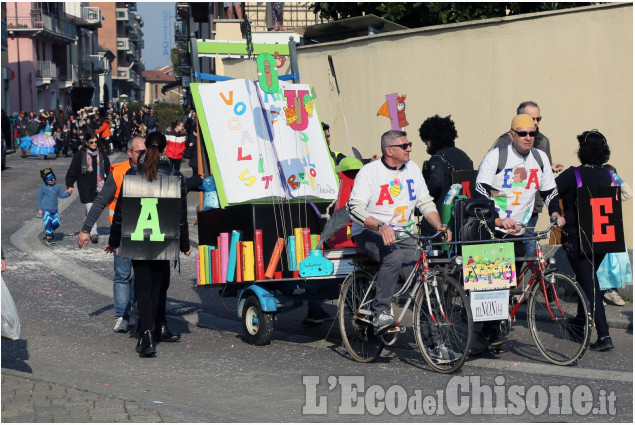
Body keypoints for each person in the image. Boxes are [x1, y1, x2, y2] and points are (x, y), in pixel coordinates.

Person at [475, 113, 564, 348]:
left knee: (510, 278)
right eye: (522, 133)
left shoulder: (540, 158)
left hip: (520, 226)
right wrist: (498, 219)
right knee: (495, 281)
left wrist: (555, 212)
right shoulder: (497, 156)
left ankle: (492, 324)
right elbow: (480, 190)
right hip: (494, 226)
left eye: (532, 133)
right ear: (512, 134)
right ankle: (491, 330)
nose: (528, 137)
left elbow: (550, 191)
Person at [347, 130, 450, 333]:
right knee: (393, 256)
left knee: (423, 279)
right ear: (389, 150)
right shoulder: (370, 172)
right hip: (370, 231)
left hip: (403, 234)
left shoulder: (411, 168)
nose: (410, 148)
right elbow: (354, 208)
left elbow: (425, 202)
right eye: (404, 145)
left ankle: (434, 343)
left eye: (409, 144)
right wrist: (380, 225)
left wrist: (439, 225)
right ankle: (381, 312)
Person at [105, 132, 192, 357]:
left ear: (144, 151)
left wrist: (114, 240)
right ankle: (155, 326)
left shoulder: (133, 173)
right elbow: (181, 214)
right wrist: (184, 243)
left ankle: (146, 334)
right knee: (158, 287)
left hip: (137, 235)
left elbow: (121, 212)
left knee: (143, 288)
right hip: (164, 236)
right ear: (164, 150)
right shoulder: (174, 175)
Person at [77, 136, 147, 334]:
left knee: (142, 275)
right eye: (139, 152)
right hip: (122, 233)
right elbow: (100, 202)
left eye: (146, 151)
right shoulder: (118, 172)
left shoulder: (154, 169)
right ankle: (122, 316)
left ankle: (133, 309)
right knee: (123, 275)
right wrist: (85, 229)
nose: (143, 155)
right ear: (130, 153)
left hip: (148, 234)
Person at [555, 130, 617, 351]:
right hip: (603, 238)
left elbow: (551, 191)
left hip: (577, 237)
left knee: (590, 283)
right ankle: (580, 321)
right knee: (588, 278)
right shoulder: (608, 175)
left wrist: (557, 213)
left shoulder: (573, 174)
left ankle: (604, 335)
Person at [491, 102, 564, 260]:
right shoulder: (504, 142)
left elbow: (542, 173)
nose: (536, 122)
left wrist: (550, 168)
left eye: (538, 118)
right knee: (510, 252)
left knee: (530, 243)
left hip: (532, 203)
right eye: (532, 118)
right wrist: (499, 213)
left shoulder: (543, 141)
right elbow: (493, 178)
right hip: (506, 208)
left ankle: (529, 280)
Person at [419, 114, 473, 235]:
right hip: (463, 215)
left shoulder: (438, 159)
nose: (427, 145)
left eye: (426, 141)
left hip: (443, 216)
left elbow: (435, 184)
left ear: (432, 139)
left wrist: (422, 197)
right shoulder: (464, 156)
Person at [65, 133, 111, 244]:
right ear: (86, 142)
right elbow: (72, 170)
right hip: (85, 187)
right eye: (91, 142)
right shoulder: (80, 155)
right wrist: (70, 184)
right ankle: (94, 233)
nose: (94, 144)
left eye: (96, 142)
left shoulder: (102, 154)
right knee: (91, 207)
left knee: (92, 209)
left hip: (99, 186)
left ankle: (87, 225)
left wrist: (110, 184)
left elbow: (108, 170)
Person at [36, 168, 71, 244]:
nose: (51, 181)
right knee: (48, 222)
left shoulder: (57, 186)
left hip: (54, 209)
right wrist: (39, 209)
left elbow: (61, 195)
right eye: (49, 180)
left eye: (52, 179)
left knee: (56, 223)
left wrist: (68, 193)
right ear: (45, 180)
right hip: (45, 209)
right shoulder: (43, 187)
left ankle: (50, 231)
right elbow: (39, 198)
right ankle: (49, 236)